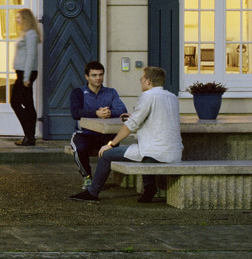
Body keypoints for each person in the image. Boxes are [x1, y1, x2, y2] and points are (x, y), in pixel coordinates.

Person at [70, 65, 182, 203]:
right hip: (174, 152)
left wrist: (111, 144)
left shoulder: (147, 96)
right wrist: (134, 115)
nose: (140, 81)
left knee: (106, 155)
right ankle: (149, 187)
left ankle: (92, 193)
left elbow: (130, 126)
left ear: (148, 81)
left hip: (154, 152)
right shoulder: (172, 97)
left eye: (142, 78)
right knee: (145, 152)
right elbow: (155, 117)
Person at [69, 59, 128, 180]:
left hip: (106, 135)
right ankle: (87, 177)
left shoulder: (111, 92)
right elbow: (75, 113)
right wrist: (96, 113)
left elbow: (122, 110)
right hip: (84, 134)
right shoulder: (78, 92)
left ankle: (101, 181)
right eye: (94, 75)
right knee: (79, 148)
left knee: (113, 149)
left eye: (100, 74)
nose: (98, 78)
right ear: (87, 77)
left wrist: (110, 112)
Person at [10, 7, 41, 146]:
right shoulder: (25, 33)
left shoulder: (31, 34)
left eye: (19, 17)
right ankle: (30, 137)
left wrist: (26, 77)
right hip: (22, 72)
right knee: (27, 103)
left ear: (26, 19)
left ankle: (29, 135)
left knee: (16, 102)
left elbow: (31, 56)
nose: (17, 20)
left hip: (26, 73)